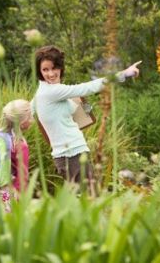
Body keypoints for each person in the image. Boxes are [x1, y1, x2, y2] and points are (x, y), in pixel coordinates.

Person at [32, 45, 140, 184]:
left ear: (61, 67)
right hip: (71, 155)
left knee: (84, 200)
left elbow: (28, 110)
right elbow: (88, 87)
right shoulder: (51, 91)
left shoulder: (44, 90)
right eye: (45, 69)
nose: (51, 73)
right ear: (40, 72)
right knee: (90, 198)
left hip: (71, 154)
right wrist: (124, 74)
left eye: (54, 68)